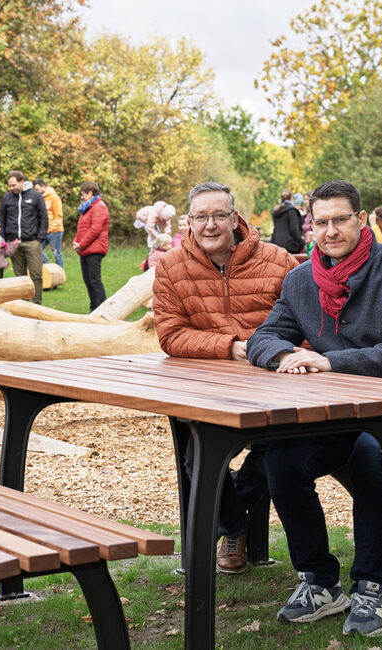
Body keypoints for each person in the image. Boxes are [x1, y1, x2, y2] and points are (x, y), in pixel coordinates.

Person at [246, 180, 382, 638]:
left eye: (340, 219)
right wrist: (286, 357)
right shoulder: (302, 279)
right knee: (281, 458)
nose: (330, 231)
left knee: (371, 453)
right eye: (320, 222)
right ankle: (320, 581)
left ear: (362, 221)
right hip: (339, 413)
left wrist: (327, 361)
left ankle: (372, 585)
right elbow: (262, 338)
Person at [153, 180, 298, 574]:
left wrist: (275, 355)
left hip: (276, 385)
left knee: (280, 449)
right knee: (198, 455)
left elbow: (305, 323)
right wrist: (231, 346)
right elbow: (170, 334)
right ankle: (235, 526)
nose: (210, 225)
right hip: (207, 388)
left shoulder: (278, 260)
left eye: (219, 215)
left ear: (235, 219)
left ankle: (236, 520)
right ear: (189, 222)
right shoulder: (170, 266)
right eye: (201, 217)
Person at [0, 171, 48, 303]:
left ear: (21, 182)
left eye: (14, 185)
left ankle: (37, 304)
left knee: (36, 274)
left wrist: (40, 239)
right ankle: (23, 304)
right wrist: (4, 238)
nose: (11, 188)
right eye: (9, 185)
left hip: (32, 242)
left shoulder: (36, 196)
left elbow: (43, 217)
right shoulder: (7, 198)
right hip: (14, 243)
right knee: (20, 277)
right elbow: (2, 218)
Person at [71, 181, 109, 311]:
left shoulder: (99, 207)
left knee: (95, 281)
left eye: (83, 194)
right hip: (85, 249)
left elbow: (95, 230)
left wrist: (81, 245)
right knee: (88, 281)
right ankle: (94, 309)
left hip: (94, 249)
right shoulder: (87, 208)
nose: (82, 197)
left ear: (90, 193)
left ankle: (104, 309)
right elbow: (81, 228)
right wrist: (76, 242)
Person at [34, 179, 64, 268]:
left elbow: (58, 214)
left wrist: (53, 229)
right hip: (44, 230)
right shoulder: (39, 198)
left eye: (37, 189)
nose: (36, 191)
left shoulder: (54, 197)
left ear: (43, 186)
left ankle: (60, 273)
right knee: (37, 249)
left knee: (56, 254)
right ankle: (48, 269)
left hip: (55, 230)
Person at [271, 189, 305, 254]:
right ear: (292, 198)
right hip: (289, 245)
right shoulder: (291, 210)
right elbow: (294, 229)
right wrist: (302, 242)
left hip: (276, 243)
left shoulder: (276, 210)